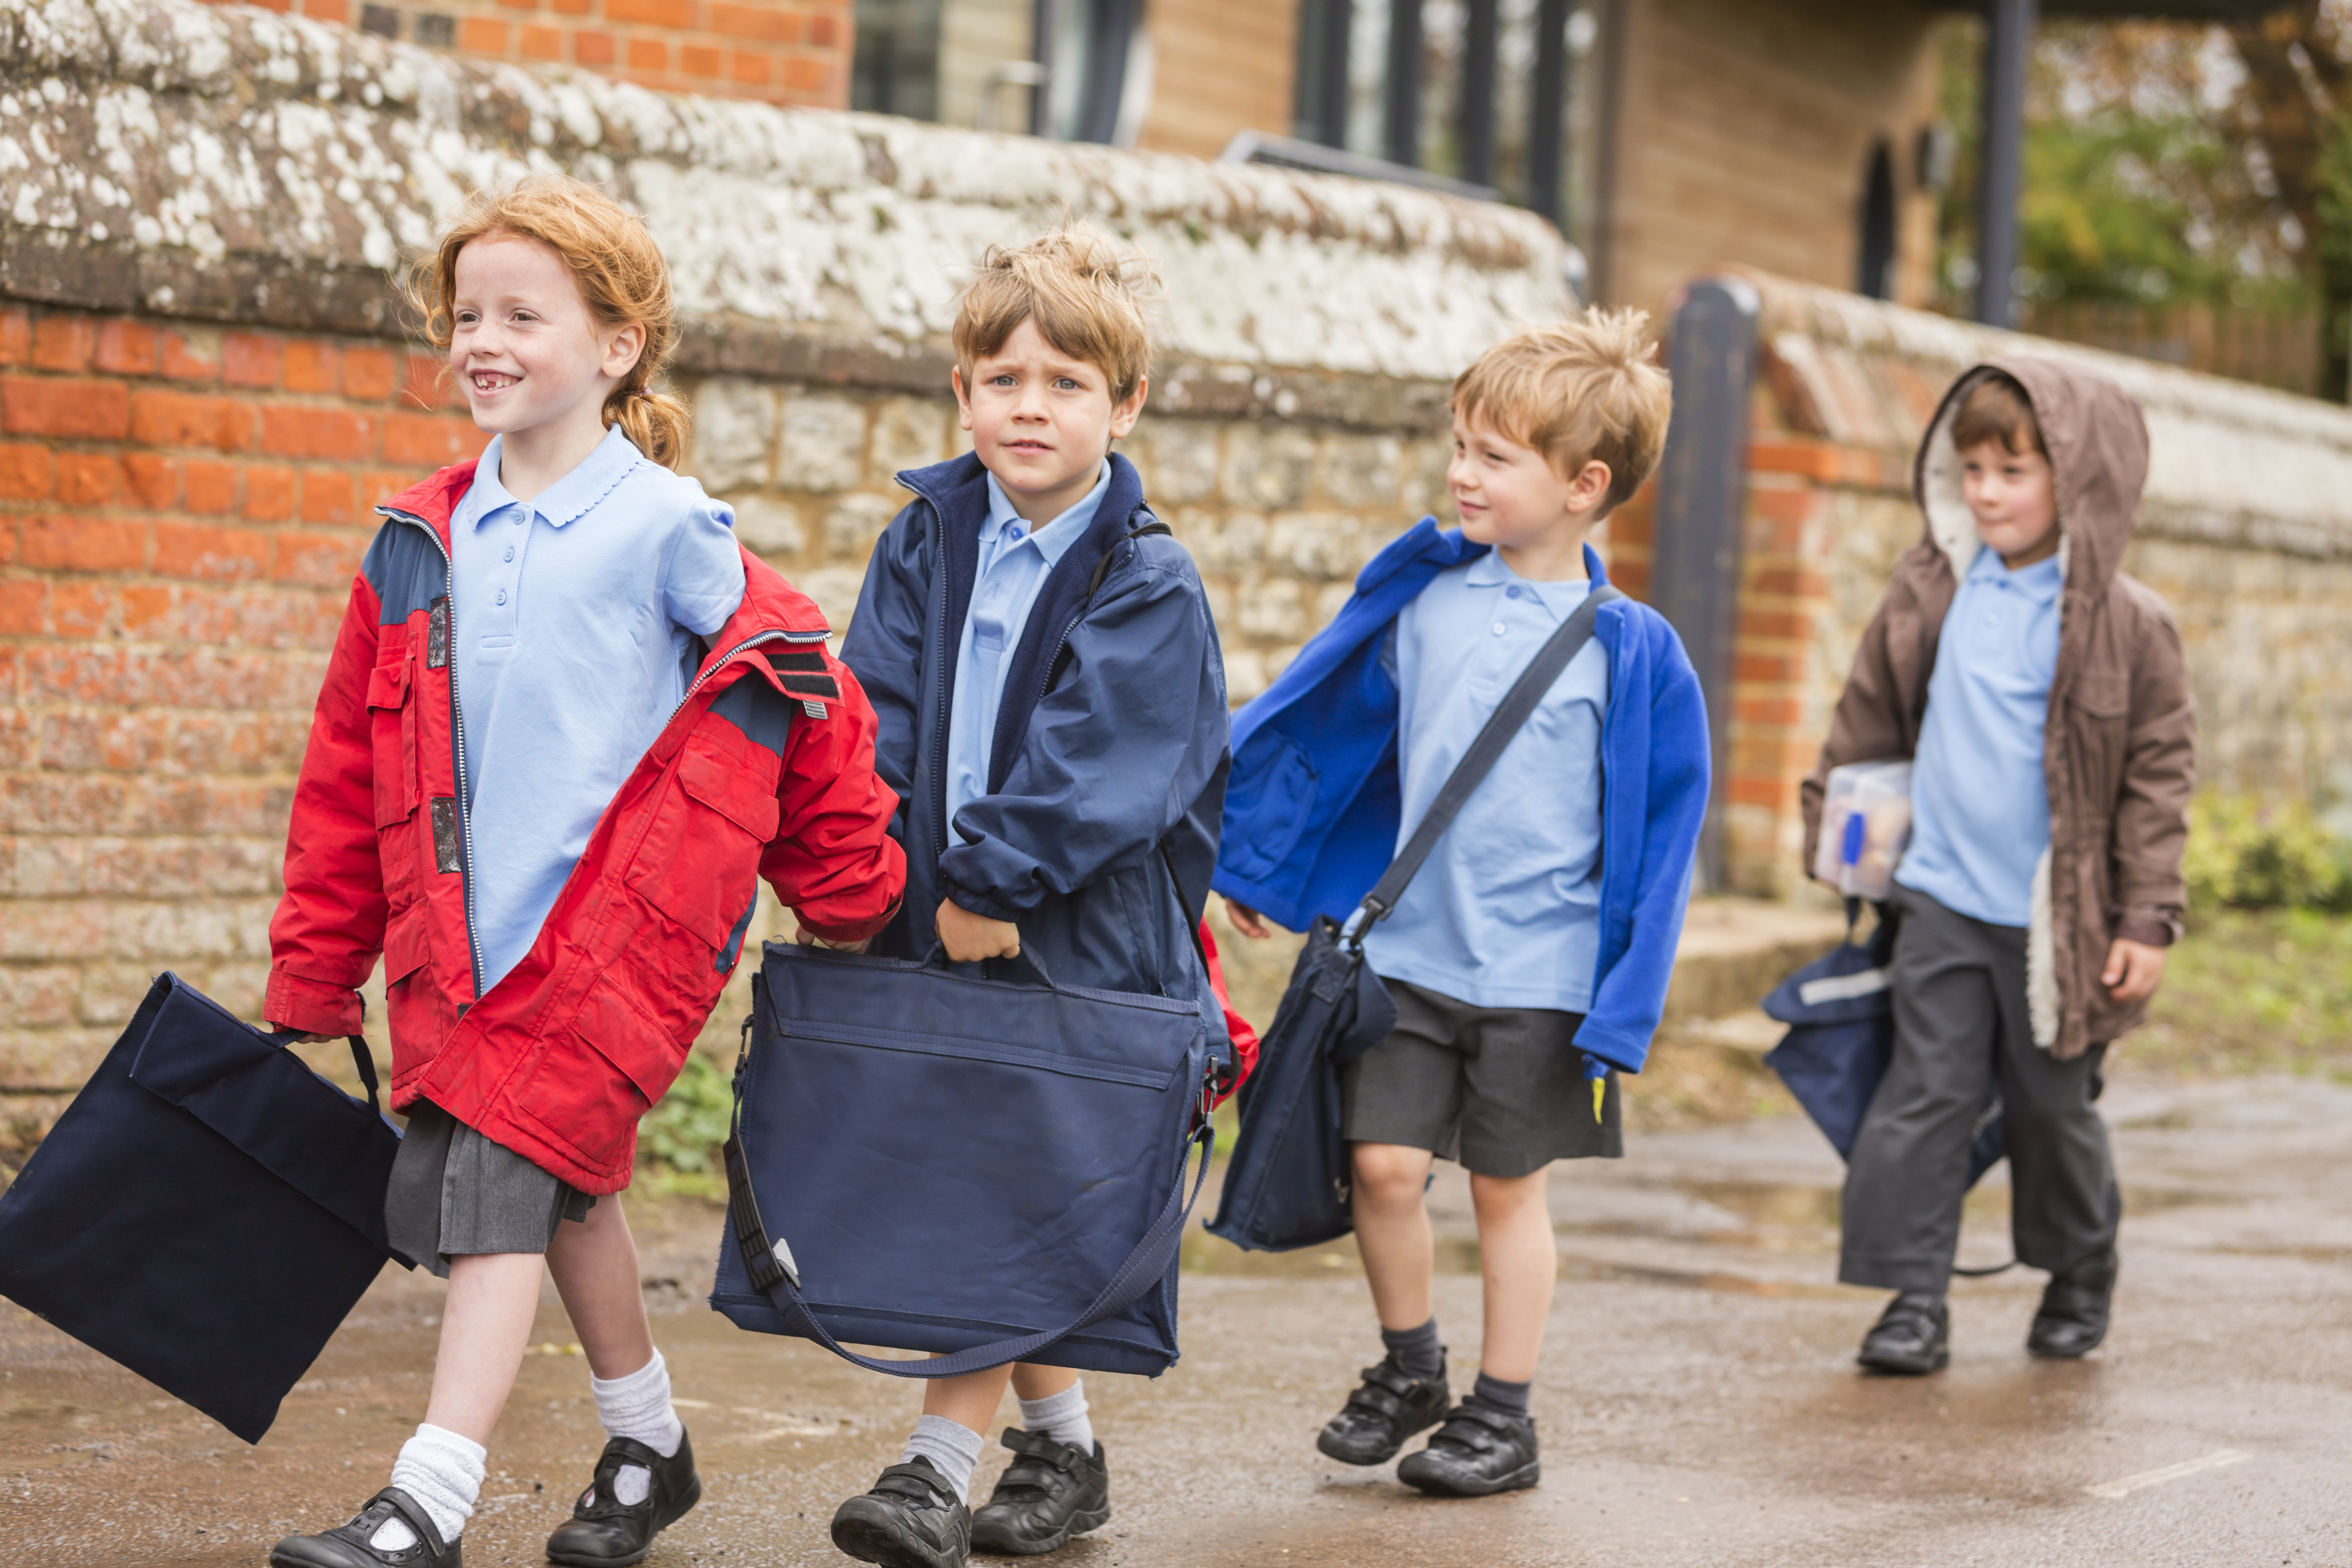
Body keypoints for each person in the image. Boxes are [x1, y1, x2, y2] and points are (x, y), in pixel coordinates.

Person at [262, 176, 906, 1568]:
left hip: (612, 943)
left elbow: (804, 695)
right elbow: (342, 773)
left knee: (501, 1178)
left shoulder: (670, 528)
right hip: (455, 946)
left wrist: (851, 887)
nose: (483, 340)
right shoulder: (417, 541)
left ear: (617, 349)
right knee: (569, 1190)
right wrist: (319, 965)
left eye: (522, 315)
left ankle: (427, 1497)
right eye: (467, 314)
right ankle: (649, 1443)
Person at [1217, 312, 1710, 1497]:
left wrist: (1626, 1000)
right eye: (1460, 444)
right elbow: (1335, 738)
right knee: (1381, 1167)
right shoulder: (1425, 598)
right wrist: (1261, 868)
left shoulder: (1631, 651)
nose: (1461, 472)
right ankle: (1410, 1367)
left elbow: (1665, 837)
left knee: (1505, 1188)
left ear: (1586, 487)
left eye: (1495, 455)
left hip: (1540, 974)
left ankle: (1506, 1413)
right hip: (1408, 959)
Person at [823, 226, 1231, 1568]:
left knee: (1005, 1185)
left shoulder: (1146, 578)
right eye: (1005, 379)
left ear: (1128, 405)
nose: (1031, 406)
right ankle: (1063, 1452)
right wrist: (875, 869)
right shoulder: (926, 538)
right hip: (935, 925)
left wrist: (991, 884)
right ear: (962, 392)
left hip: (1072, 940)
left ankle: (936, 1473)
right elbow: (873, 712)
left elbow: (1101, 763)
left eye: (1066, 383)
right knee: (998, 1187)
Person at [1802, 360, 2195, 1375]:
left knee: (2051, 1107)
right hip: (1940, 895)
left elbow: (2158, 781)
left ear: (2080, 477)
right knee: (1922, 1094)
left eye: (2013, 471)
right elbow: (1870, 718)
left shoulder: (2130, 624)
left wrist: (2146, 918)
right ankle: (1912, 1300)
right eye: (1971, 468)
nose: (1984, 491)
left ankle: (2079, 1267)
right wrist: (1838, 829)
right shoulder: (1932, 584)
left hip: (2058, 920)